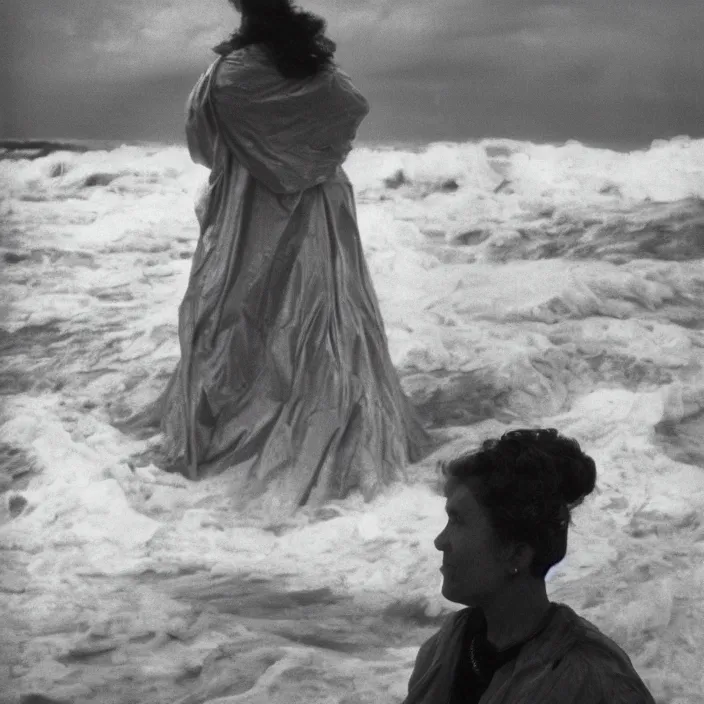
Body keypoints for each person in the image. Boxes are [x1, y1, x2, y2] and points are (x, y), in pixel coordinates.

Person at [156, 0, 434, 513]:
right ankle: (322, 414)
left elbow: (202, 142)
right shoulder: (316, 71)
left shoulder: (229, 74)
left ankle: (243, 422)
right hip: (318, 205)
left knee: (243, 310)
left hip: (253, 205)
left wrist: (258, 153)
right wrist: (311, 155)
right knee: (318, 316)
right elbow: (352, 105)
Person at [403, 428, 656, 704]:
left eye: (458, 521)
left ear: (517, 555)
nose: (440, 541)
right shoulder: (443, 651)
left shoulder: (593, 680)